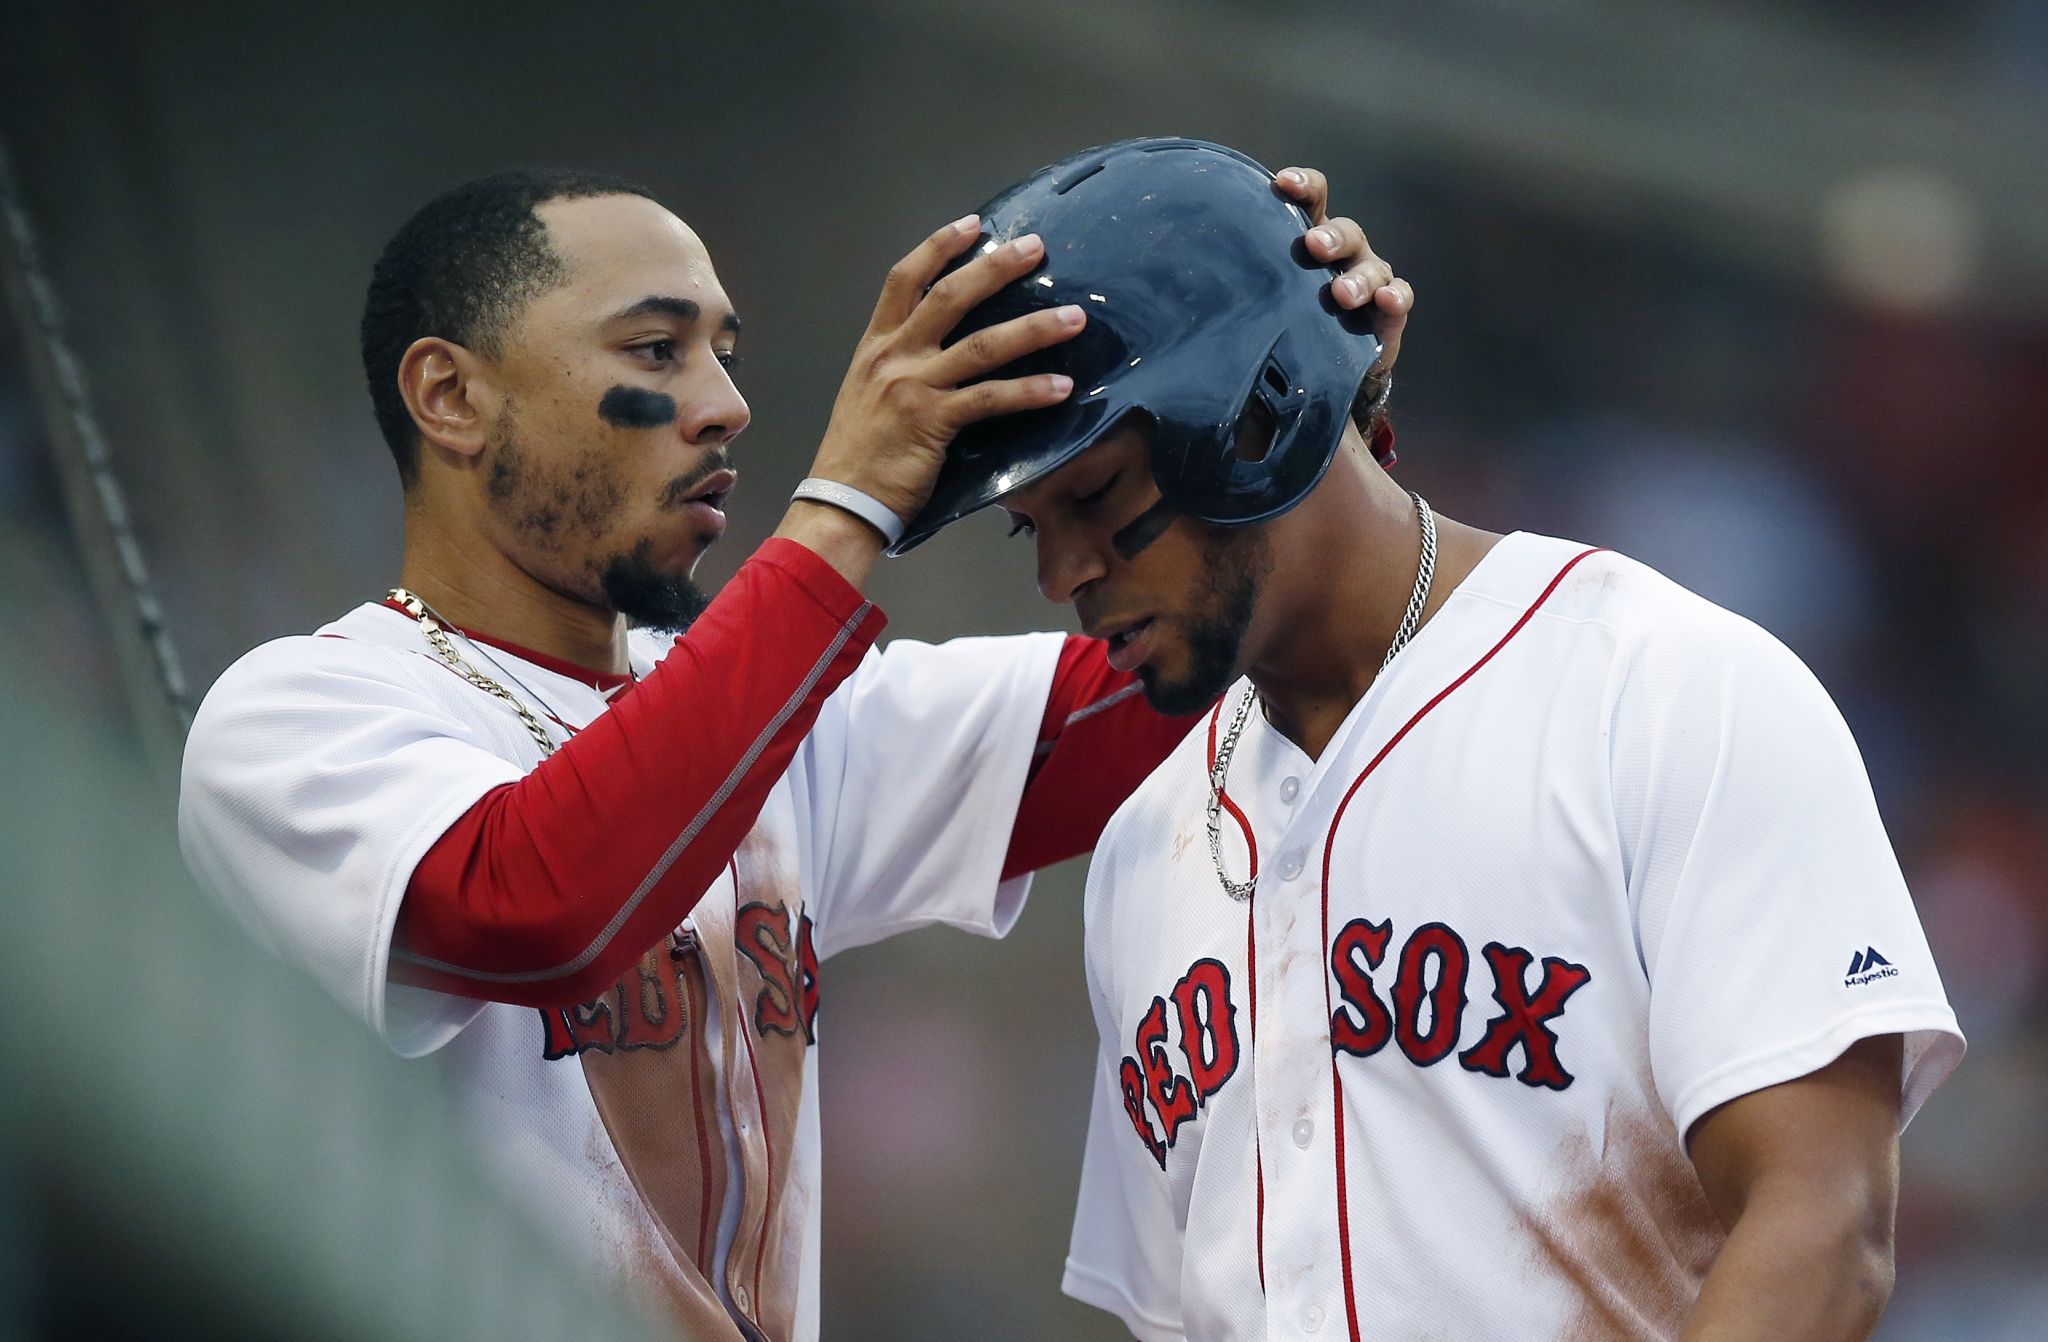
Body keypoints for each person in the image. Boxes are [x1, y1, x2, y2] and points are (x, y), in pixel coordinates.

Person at [176, 163, 1408, 1341]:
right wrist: (843, 507)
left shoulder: (773, 721)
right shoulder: (296, 717)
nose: (724, 403)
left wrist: (1300, 442)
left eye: (725, 351)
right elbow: (532, 905)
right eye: (656, 350)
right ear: (449, 395)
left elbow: (1175, 675)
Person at [907, 138, 1966, 1341]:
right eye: (1029, 529)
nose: (1061, 574)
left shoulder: (1669, 690)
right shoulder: (1148, 844)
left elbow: (1823, 1223)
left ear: (1255, 417)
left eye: (1092, 498)